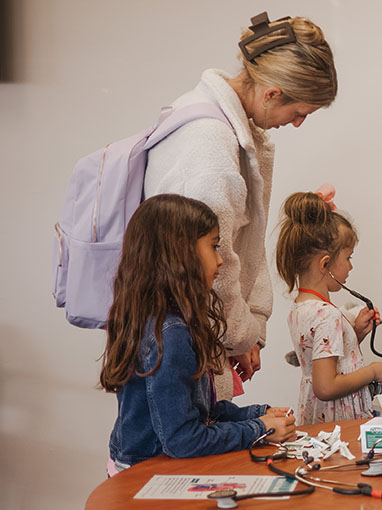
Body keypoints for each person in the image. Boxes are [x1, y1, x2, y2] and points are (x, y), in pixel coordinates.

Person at [99, 194, 296, 510]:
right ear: (179, 254)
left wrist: (256, 415)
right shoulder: (170, 335)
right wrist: (257, 429)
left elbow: (201, 412)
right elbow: (185, 438)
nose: (221, 260)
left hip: (153, 471)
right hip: (154, 480)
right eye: (213, 246)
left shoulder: (166, 323)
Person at [144, 12, 338, 402]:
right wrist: (239, 333)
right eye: (299, 112)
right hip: (190, 338)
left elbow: (237, 245)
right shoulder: (209, 145)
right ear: (271, 94)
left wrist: (245, 331)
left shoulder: (206, 119)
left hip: (204, 331)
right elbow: (215, 262)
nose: (297, 124)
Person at [275, 192, 382, 424]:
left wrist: (355, 334)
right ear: (324, 264)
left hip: (319, 417)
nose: (350, 266)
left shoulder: (300, 308)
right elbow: (326, 386)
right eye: (348, 258)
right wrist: (374, 371)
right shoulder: (327, 315)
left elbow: (325, 363)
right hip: (340, 421)